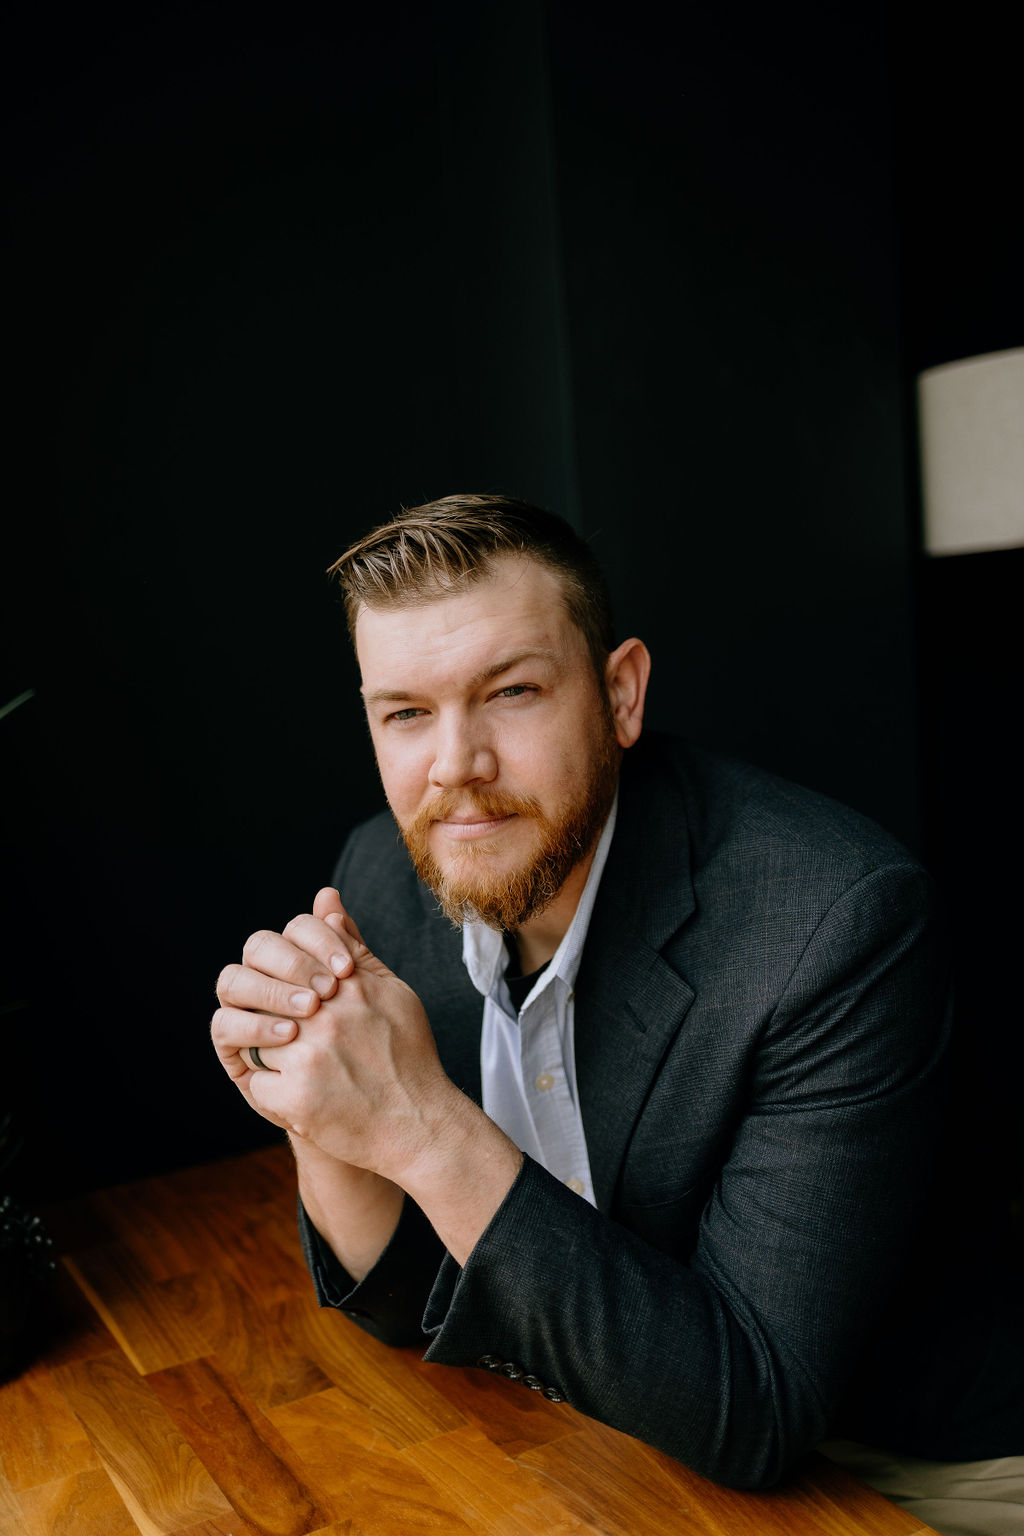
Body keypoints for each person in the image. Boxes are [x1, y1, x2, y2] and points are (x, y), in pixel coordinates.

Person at [211, 495, 1020, 1519]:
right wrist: (319, 1112)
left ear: (620, 693)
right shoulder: (383, 873)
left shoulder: (835, 924)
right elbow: (415, 1301)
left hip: (896, 1465)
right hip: (601, 1430)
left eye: (511, 691)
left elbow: (758, 1408)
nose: (455, 766)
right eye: (406, 712)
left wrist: (418, 1126)